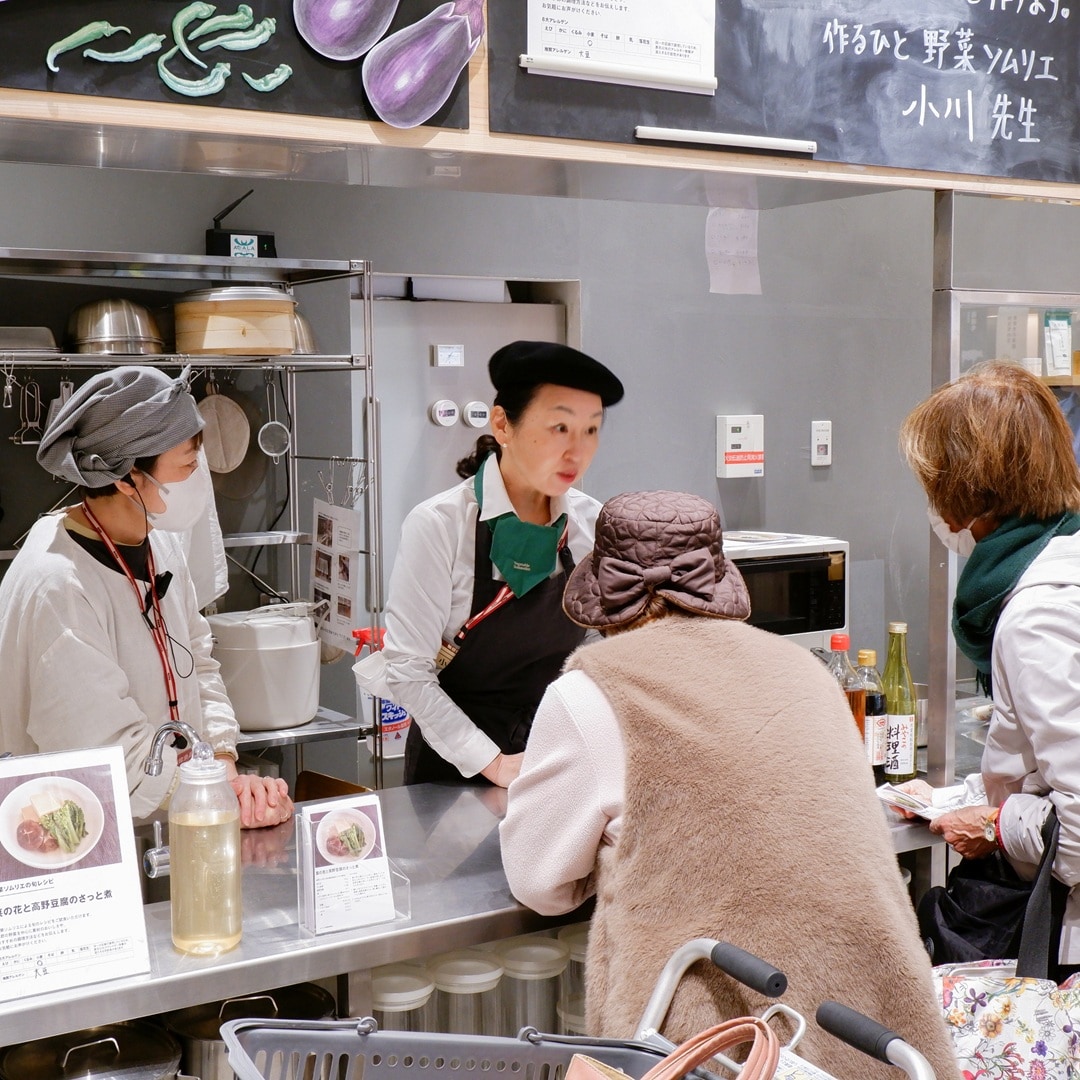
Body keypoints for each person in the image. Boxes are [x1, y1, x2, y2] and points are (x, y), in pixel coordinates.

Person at [500, 491, 959, 1080]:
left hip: (713, 1041)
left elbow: (540, 881)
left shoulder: (590, 691)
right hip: (870, 1022)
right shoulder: (807, 669)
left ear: (602, 593)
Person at [0, 366, 293, 828]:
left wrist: (222, 763)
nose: (200, 479)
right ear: (125, 478)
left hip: (177, 812)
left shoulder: (159, 541)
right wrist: (215, 795)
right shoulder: (58, 584)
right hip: (85, 832)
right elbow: (99, 742)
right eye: (187, 466)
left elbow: (199, 660)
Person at [355, 340, 623, 786]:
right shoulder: (439, 526)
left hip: (556, 759)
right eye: (560, 427)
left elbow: (596, 637)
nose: (577, 451)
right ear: (502, 423)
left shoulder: (591, 523)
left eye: (591, 430)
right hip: (454, 770)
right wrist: (493, 763)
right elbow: (407, 672)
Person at [898, 359, 1080, 978]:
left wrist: (997, 826)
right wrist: (963, 796)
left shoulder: (1034, 616)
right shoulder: (1063, 556)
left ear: (964, 488)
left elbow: (1079, 828)